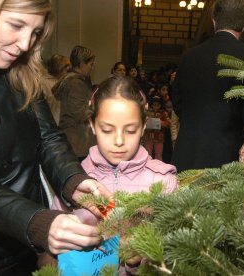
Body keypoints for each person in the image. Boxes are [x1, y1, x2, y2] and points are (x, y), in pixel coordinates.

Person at [0, 0, 112, 274]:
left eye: (35, 33)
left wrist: (72, 179)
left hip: (31, 237)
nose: (24, 44)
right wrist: (37, 222)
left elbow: (49, 139)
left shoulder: (23, 74)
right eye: (16, 25)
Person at [41, 76, 178, 272]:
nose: (119, 141)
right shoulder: (74, 180)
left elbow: (178, 253)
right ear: (92, 124)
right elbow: (52, 243)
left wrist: (142, 258)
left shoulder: (164, 182)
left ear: (143, 126)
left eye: (130, 130)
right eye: (107, 130)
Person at [171, 0, 244, 172]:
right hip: (227, 155)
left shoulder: (189, 56)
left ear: (213, 20)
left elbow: (177, 100)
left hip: (187, 152)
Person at [53, 45, 97, 161]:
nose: (92, 68)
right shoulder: (75, 83)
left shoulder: (70, 80)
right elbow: (79, 113)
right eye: (91, 65)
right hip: (77, 140)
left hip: (75, 140)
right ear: (81, 64)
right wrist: (98, 108)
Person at [45, 54, 71, 124]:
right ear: (59, 67)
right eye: (66, 66)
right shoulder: (43, 83)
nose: (69, 68)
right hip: (51, 124)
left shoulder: (65, 81)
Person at [143, 95, 171, 161]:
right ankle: (148, 167)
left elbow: (168, 123)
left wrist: (162, 123)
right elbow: (141, 122)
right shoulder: (147, 112)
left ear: (160, 105)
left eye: (158, 105)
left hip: (159, 137)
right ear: (151, 104)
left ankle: (158, 168)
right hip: (148, 136)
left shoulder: (164, 113)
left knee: (158, 154)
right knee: (148, 154)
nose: (156, 107)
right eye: (154, 105)